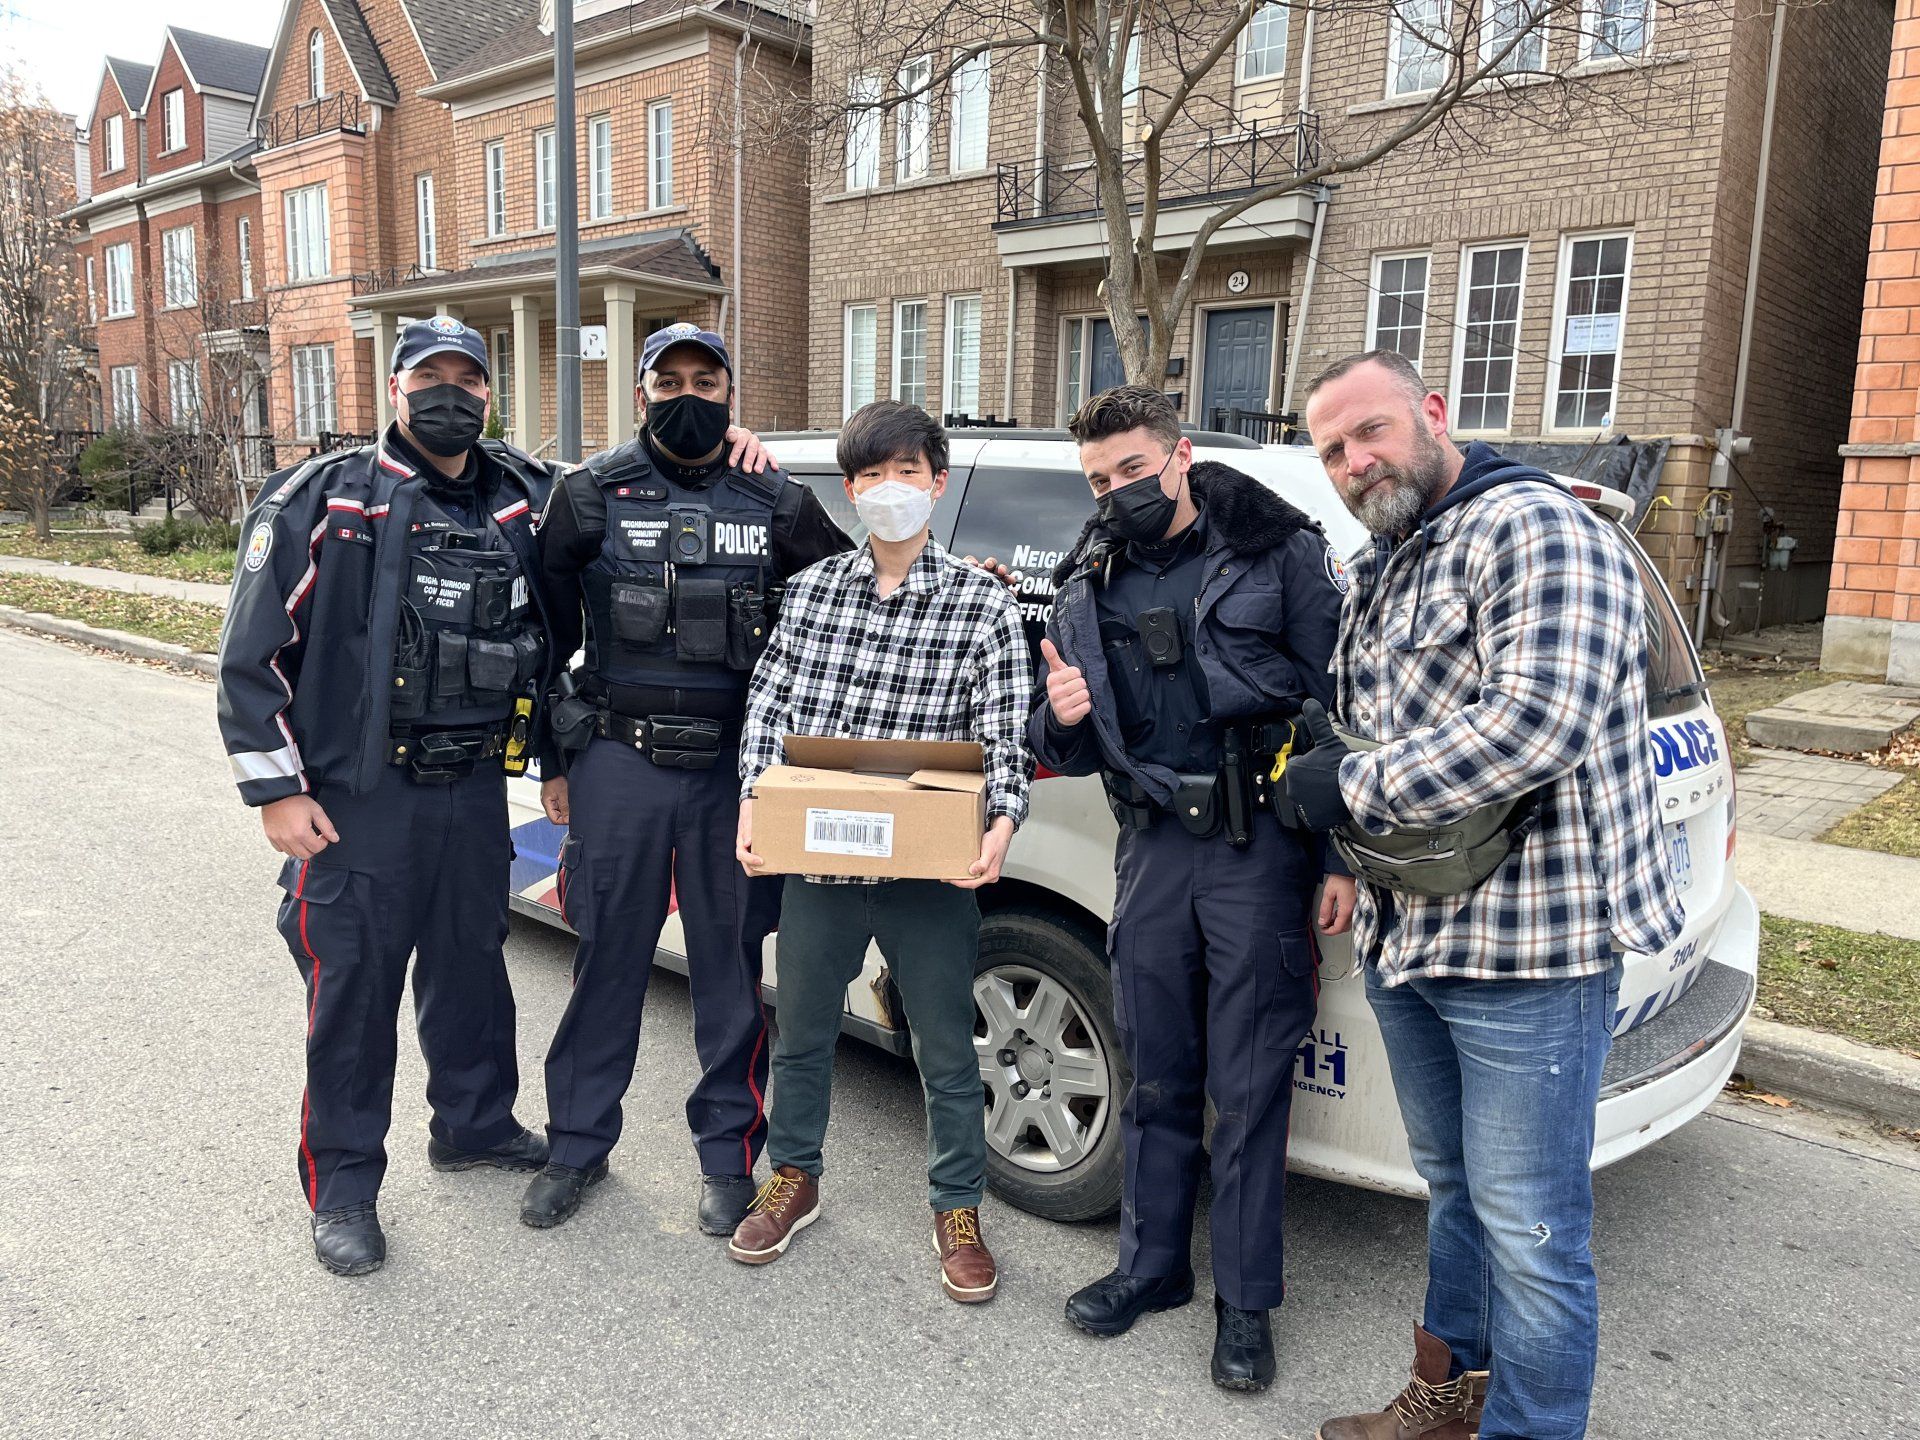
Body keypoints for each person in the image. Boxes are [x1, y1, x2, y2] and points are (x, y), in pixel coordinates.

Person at [1289, 350, 1685, 1440]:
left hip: (1532, 951)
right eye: (1332, 450)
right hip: (1412, 931)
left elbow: (1536, 724)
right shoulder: (1387, 558)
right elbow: (1376, 716)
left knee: (1534, 1230)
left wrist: (1350, 785)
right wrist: (1329, 797)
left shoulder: (1537, 529)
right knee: (1457, 1194)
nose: (1356, 461)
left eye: (1370, 432)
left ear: (1432, 411)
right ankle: (1447, 1397)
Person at [1028, 384, 1355, 1390]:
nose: (1115, 491)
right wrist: (1063, 712)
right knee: (1158, 1074)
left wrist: (1338, 855)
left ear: (1176, 457)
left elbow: (1342, 701)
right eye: (1097, 479)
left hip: (1259, 851)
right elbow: (1061, 748)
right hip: (1153, 847)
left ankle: (1246, 1306)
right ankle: (1151, 1267)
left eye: (1130, 469)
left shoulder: (1277, 551)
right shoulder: (1083, 585)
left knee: (1249, 1093)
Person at [218, 317, 560, 1276]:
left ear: (489, 394)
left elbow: (610, 531)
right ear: (396, 388)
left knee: (472, 970)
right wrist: (278, 794)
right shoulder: (323, 499)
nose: (449, 393)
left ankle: (475, 1123)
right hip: (355, 801)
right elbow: (249, 663)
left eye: (468, 378)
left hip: (474, 794)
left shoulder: (522, 500)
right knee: (354, 996)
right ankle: (344, 1191)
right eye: (428, 376)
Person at [524, 322, 850, 1237]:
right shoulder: (587, 495)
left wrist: (784, 483)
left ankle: (726, 1159)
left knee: (729, 975)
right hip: (619, 764)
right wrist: (556, 763)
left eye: (707, 380)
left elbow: (849, 596)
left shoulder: (772, 499)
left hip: (731, 772)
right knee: (606, 966)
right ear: (640, 393)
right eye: (668, 381)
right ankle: (576, 1146)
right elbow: (545, 640)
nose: (688, 396)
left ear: (730, 394)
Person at [727, 400, 1033, 1304]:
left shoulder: (982, 603)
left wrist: (1001, 824)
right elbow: (770, 708)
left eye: (906, 472)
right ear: (850, 490)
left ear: (937, 483)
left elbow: (1002, 733)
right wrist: (753, 803)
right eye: (868, 476)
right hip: (819, 864)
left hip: (928, 876)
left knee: (945, 1048)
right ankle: (795, 1176)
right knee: (804, 1033)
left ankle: (957, 1206)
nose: (887, 491)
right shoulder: (814, 590)